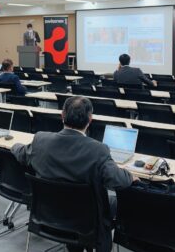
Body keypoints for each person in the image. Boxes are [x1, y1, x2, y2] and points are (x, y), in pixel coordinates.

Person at [11, 96, 135, 252]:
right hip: (88, 221)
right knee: (115, 202)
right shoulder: (98, 150)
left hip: (49, 213)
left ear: (62, 115)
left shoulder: (40, 140)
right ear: (90, 119)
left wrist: (14, 144)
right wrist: (131, 176)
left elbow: (21, 153)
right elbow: (118, 181)